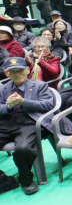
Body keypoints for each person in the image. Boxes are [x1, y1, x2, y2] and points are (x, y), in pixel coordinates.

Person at [0, 57, 55, 195]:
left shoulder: (39, 85)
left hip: (29, 121)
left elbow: (48, 104)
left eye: (20, 70)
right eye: (13, 71)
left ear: (27, 70)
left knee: (23, 148)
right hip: (7, 122)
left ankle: (26, 180)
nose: (17, 74)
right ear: (7, 74)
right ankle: (4, 180)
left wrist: (23, 102)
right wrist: (9, 106)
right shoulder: (2, 88)